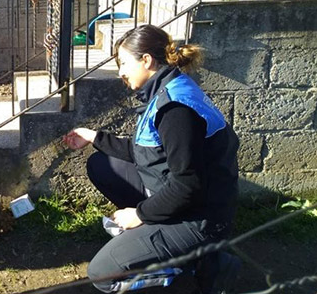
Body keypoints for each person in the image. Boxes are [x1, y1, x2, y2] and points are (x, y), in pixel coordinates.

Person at [63, 25, 241, 293]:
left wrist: (140, 215)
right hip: (188, 201)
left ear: (146, 60)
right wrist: (94, 137)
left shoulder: (175, 109)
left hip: (200, 219)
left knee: (101, 274)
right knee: (101, 165)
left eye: (124, 63)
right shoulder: (169, 88)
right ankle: (173, 248)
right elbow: (147, 152)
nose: (120, 71)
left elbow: (187, 185)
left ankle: (197, 266)